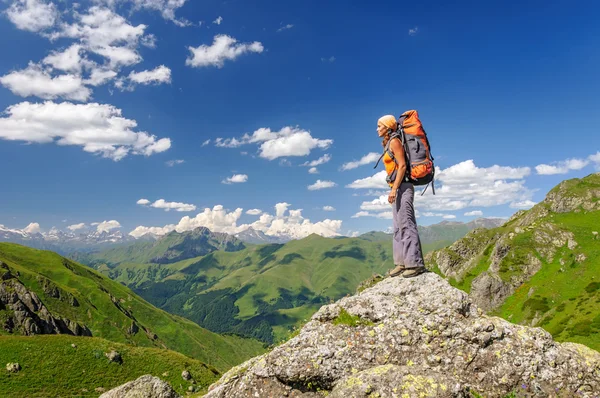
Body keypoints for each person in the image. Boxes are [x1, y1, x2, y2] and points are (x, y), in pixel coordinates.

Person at [377, 115, 427, 278]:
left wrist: (394, 189)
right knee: (398, 227)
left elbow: (403, 165)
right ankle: (401, 263)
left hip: (403, 187)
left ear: (388, 127)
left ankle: (415, 263)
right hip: (397, 188)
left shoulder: (395, 141)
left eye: (379, 126)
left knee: (407, 224)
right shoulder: (389, 141)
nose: (377, 129)